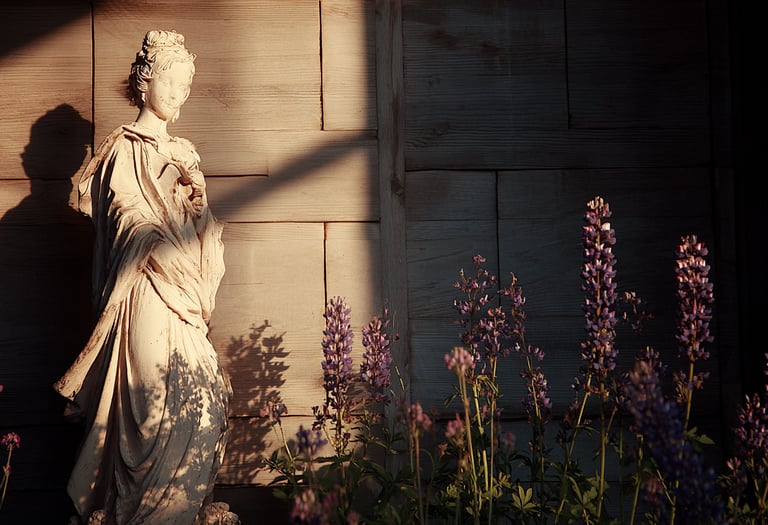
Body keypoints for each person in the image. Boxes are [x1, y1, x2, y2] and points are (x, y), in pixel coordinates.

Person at [54, 30, 235, 524]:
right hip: (147, 292)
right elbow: (123, 219)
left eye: (187, 85)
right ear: (146, 80)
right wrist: (160, 232)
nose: (181, 94)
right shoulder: (122, 151)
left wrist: (197, 205)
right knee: (149, 413)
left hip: (186, 300)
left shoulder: (187, 153)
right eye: (173, 82)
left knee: (201, 404)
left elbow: (204, 239)